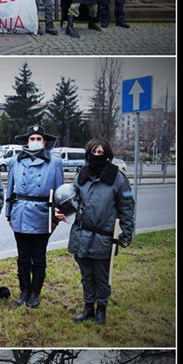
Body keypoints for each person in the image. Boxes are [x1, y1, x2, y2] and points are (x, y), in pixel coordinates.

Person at [63, 137, 135, 325]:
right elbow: (73, 200)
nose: (97, 156)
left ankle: (101, 309)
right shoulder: (82, 175)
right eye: (94, 152)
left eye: (100, 152)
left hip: (103, 237)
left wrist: (126, 234)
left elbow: (127, 207)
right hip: (81, 235)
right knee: (86, 275)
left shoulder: (117, 178)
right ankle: (88, 307)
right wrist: (62, 212)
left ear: (107, 155)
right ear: (88, 154)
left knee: (101, 277)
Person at [6, 125, 64, 308]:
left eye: (39, 138)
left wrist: (55, 218)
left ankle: (35, 293)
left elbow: (60, 193)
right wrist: (9, 214)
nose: (35, 142)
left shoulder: (55, 162)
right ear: (27, 141)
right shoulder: (15, 161)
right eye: (32, 138)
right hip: (20, 213)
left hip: (42, 215)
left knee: (38, 257)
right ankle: (24, 291)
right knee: (23, 257)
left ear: (45, 141)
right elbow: (10, 189)